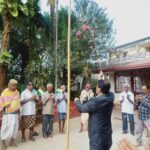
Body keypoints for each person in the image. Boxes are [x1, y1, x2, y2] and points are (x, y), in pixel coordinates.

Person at [75, 80, 114, 150]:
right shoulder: (111, 96)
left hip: (97, 139)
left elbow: (81, 108)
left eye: (96, 86)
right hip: (107, 136)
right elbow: (106, 89)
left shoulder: (96, 102)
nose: (95, 88)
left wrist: (77, 101)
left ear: (99, 89)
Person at [0, 79, 21, 150]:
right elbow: (0, 103)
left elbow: (18, 103)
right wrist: (5, 105)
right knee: (5, 127)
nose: (14, 87)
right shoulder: (4, 93)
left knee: (15, 127)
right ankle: (2, 142)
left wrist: (19, 113)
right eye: (12, 85)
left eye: (15, 85)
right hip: (7, 114)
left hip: (15, 114)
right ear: (9, 85)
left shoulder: (17, 92)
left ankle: (12, 141)